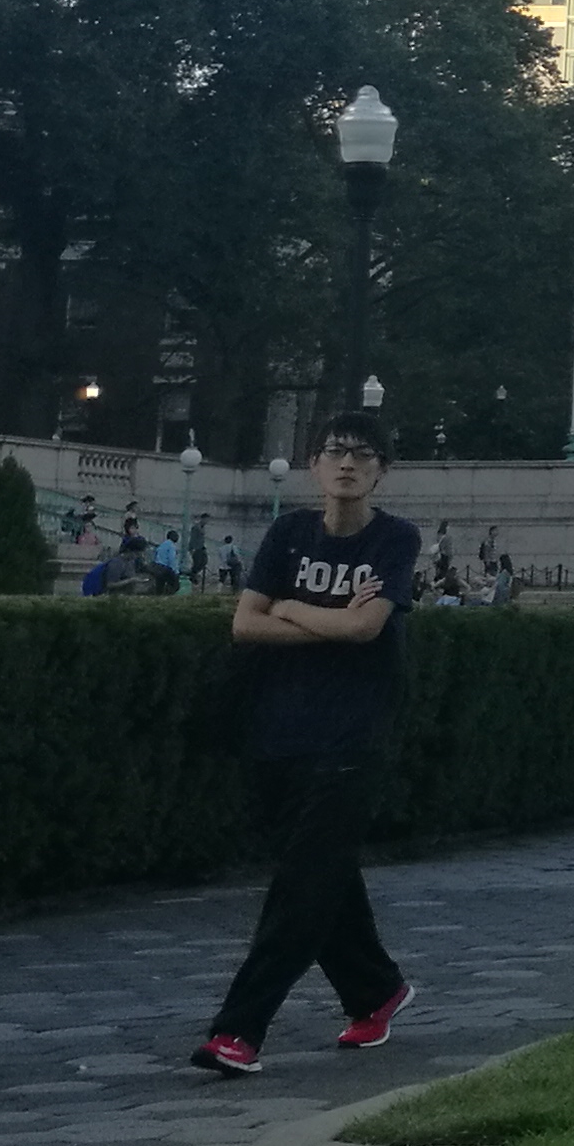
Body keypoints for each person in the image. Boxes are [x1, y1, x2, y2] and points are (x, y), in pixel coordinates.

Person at [189, 410, 421, 1078]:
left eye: (362, 454)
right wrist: (322, 617)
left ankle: (239, 1030)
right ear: (314, 464)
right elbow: (246, 625)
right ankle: (376, 989)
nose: (347, 463)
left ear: (381, 470)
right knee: (323, 874)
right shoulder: (288, 534)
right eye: (335, 451)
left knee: (301, 885)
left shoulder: (394, 539)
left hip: (353, 735)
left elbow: (366, 629)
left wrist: (289, 608)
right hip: (278, 731)